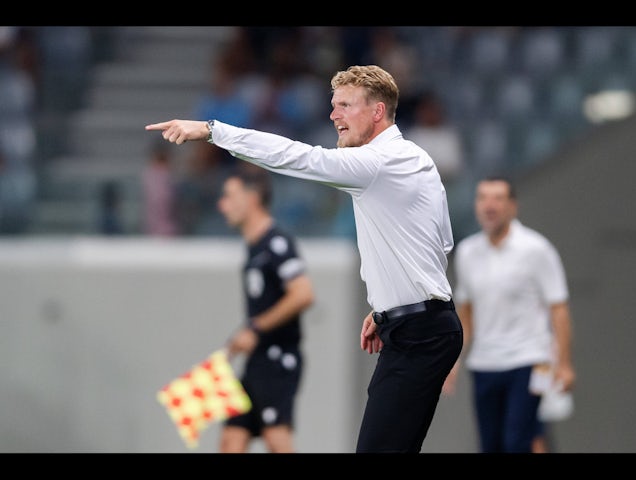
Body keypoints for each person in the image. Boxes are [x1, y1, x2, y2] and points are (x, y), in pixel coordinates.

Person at [146, 64, 463, 453]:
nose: (333, 115)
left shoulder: (378, 163)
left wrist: (213, 130)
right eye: (333, 106)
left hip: (419, 334)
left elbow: (300, 158)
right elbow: (440, 242)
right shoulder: (414, 158)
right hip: (414, 326)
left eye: (345, 105)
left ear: (377, 111)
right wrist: (388, 302)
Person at [444, 175, 576, 453]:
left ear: (512, 206)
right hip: (485, 363)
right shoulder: (468, 252)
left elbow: (558, 308)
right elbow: (466, 315)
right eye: (483, 198)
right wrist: (452, 361)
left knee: (518, 440)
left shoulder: (536, 249)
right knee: (490, 445)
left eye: (498, 198)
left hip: (530, 361)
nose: (490, 206)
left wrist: (563, 363)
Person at [216, 165, 314, 453]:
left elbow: (303, 294)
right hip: (256, 361)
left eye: (229, 196)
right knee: (231, 440)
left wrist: (255, 328)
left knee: (276, 440)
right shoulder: (254, 248)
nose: (222, 205)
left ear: (253, 197)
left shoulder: (277, 243)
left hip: (277, 359)